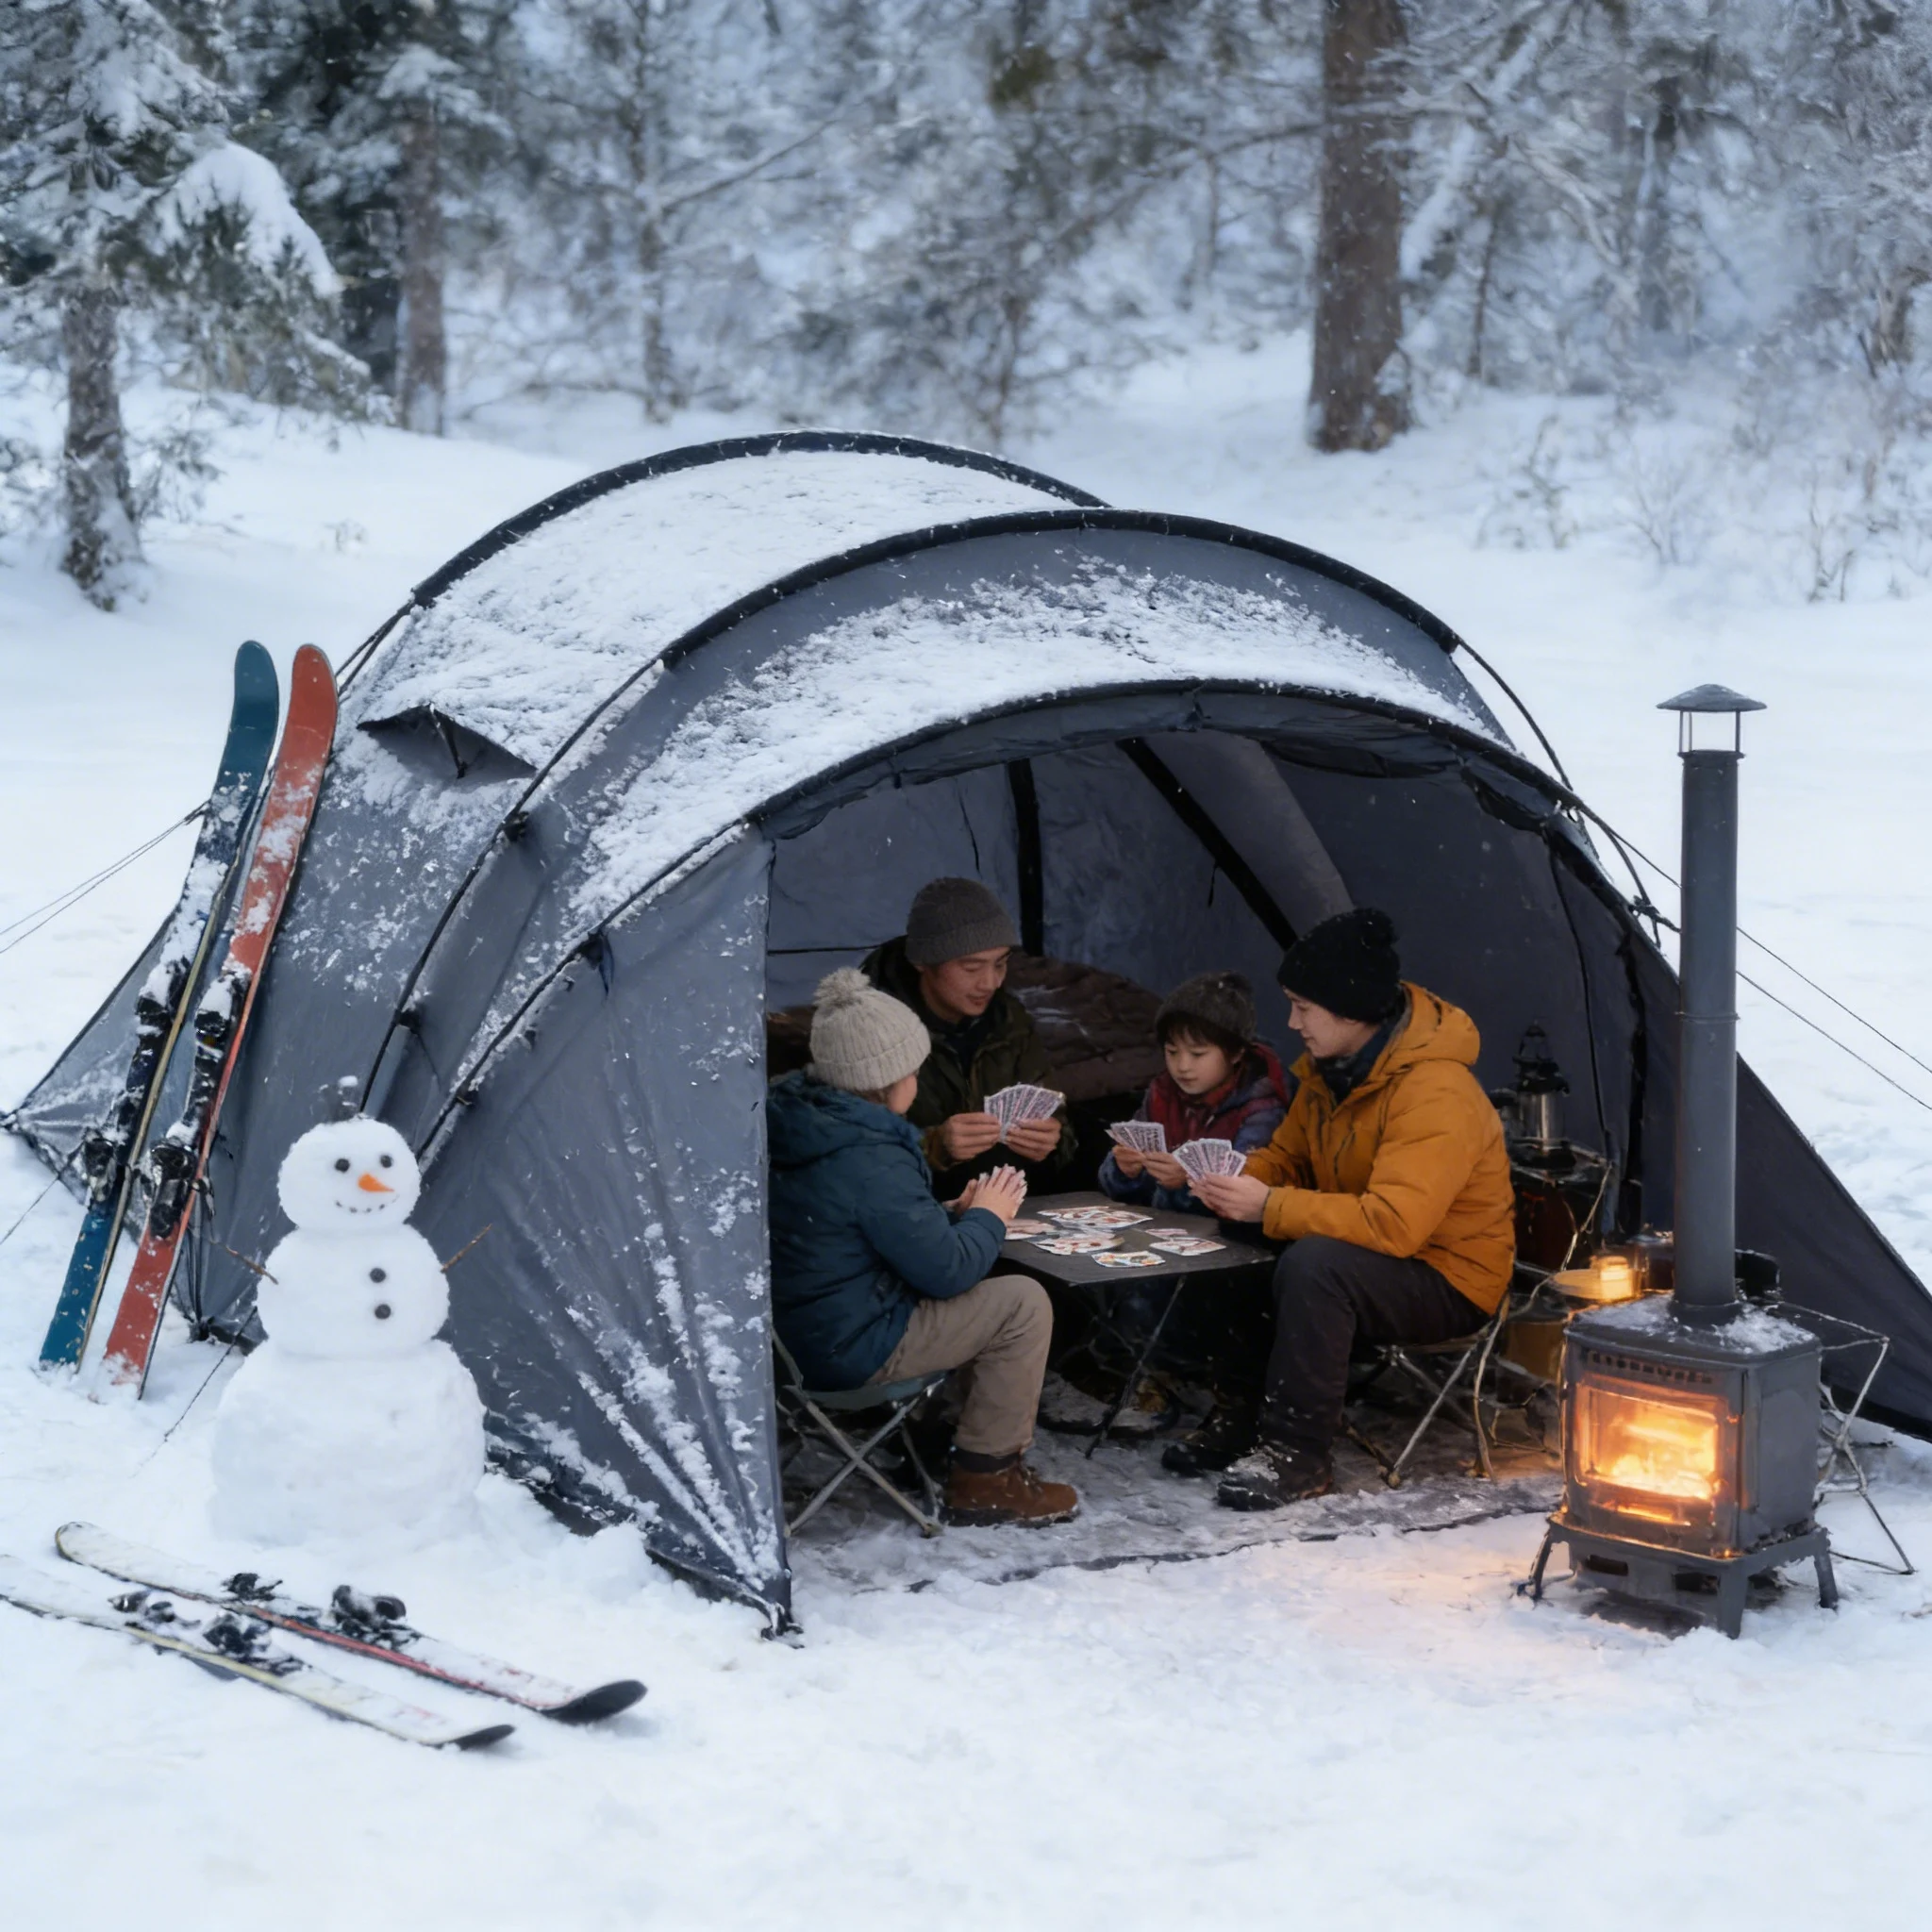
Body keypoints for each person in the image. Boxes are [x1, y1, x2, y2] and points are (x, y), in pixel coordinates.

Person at [1185, 908, 1515, 1509]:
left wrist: (1272, 1204)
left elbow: (1396, 1224)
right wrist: (1236, 1183)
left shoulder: (1434, 1092)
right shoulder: (1327, 1077)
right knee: (1236, 1237)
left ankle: (1297, 1453)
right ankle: (1242, 1419)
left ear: (1350, 1008)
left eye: (1302, 1007)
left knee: (1315, 1266)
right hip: (1373, 1251)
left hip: (1450, 1277)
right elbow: (1283, 1159)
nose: (1292, 1022)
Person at [765, 968, 1079, 1527]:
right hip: (854, 1348)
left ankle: (938, 1432)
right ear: (889, 1080)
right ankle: (987, 1478)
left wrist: (942, 1213)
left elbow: (848, 1228)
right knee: (1022, 1302)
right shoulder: (872, 1154)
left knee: (987, 1284)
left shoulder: (808, 1126)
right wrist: (990, 1214)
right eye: (915, 1068)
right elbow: (949, 1271)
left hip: (798, 1337)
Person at [863, 877, 1075, 1188]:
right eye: (971, 968)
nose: (990, 983)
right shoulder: (865, 1030)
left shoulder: (1009, 1021)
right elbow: (855, 1155)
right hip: (913, 1207)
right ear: (924, 963)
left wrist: (1052, 1140)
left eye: (1000, 965)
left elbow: (1060, 1122)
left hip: (1000, 1202)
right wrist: (935, 1146)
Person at [1098, 969, 1291, 1217]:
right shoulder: (1163, 1093)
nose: (1183, 1066)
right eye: (1172, 1051)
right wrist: (1123, 1170)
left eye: (1198, 1054)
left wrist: (1185, 1183)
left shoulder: (1262, 1108)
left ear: (1236, 1053)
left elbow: (1242, 1197)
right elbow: (1115, 1185)